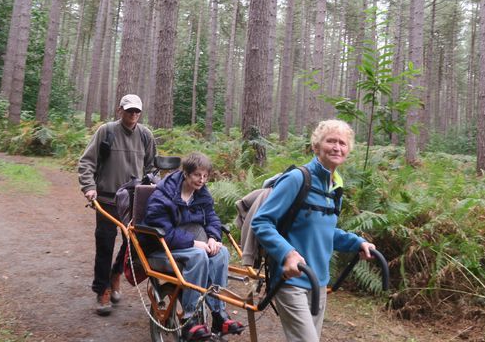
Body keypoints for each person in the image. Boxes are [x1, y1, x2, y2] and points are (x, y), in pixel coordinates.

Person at [251, 119, 376, 342]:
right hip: (290, 280)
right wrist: (287, 254)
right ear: (316, 146)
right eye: (331, 141)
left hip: (319, 282)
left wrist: (357, 242)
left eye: (343, 143)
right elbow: (262, 222)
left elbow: (325, 231)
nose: (337, 147)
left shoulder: (335, 186)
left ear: (348, 150)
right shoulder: (298, 179)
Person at [143, 152, 244, 340]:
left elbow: (212, 218)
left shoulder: (201, 194)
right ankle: (190, 318)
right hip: (163, 249)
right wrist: (195, 243)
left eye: (205, 176)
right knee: (199, 256)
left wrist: (213, 237)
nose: (202, 180)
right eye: (198, 175)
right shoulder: (163, 195)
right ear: (186, 173)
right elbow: (162, 229)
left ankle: (218, 314)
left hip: (188, 247)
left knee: (221, 253)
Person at [78, 94, 157, 315]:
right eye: (129, 110)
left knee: (133, 244)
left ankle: (116, 273)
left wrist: (154, 187)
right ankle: (101, 290)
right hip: (106, 198)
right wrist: (89, 187)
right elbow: (86, 161)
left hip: (134, 199)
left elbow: (151, 168)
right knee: (104, 244)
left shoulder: (145, 135)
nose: (133, 115)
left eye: (137, 111)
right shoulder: (107, 131)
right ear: (120, 110)